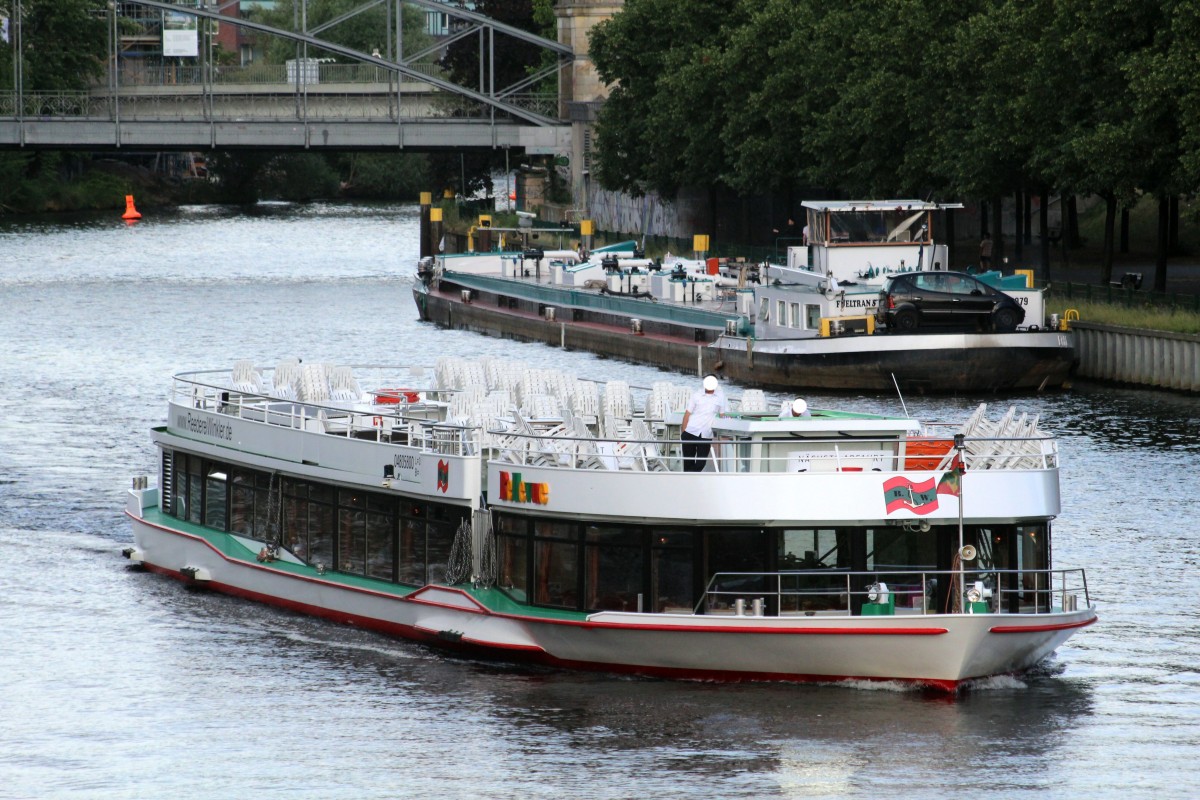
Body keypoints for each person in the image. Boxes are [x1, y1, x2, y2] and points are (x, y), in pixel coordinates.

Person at [680, 374, 729, 472]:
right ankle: (688, 484)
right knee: (688, 463)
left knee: (701, 463)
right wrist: (683, 433)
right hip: (690, 431)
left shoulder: (720, 396)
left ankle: (689, 479)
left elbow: (722, 415)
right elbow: (687, 414)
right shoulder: (696, 395)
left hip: (706, 434)